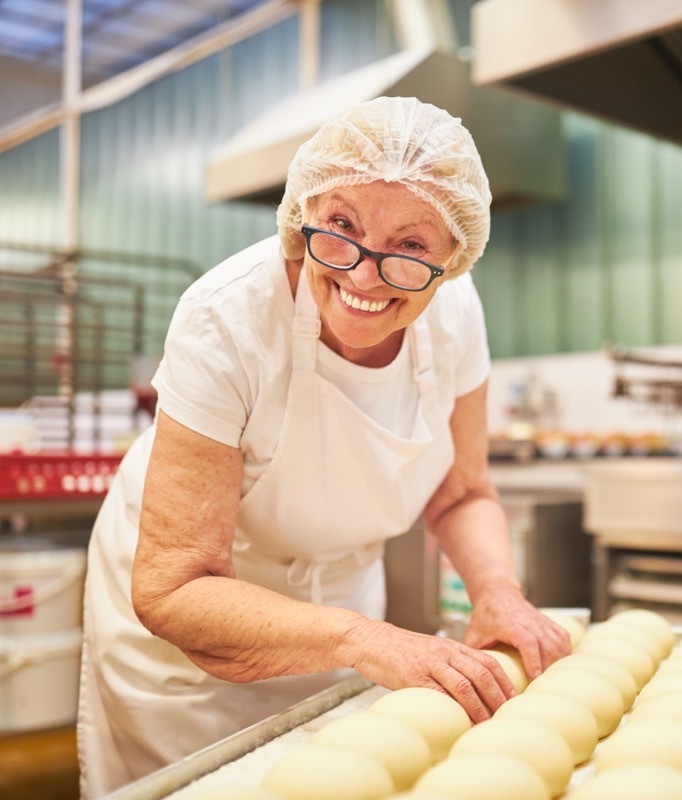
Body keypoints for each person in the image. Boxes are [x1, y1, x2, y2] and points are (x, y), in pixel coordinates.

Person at [77, 96, 571, 798]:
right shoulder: (227, 322)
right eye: (340, 226)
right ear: (300, 212)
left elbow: (461, 493)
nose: (363, 276)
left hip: (342, 612)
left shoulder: (456, 316)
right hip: (197, 645)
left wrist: (500, 595)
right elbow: (175, 588)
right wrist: (367, 639)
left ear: (454, 258)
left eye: (410, 247)